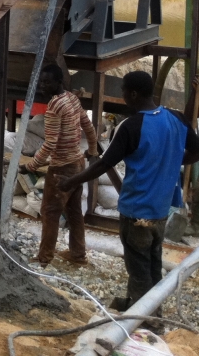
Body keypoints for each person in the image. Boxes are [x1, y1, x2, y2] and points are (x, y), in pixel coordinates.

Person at [57, 71, 199, 310]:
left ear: (133, 94)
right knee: (152, 263)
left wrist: (70, 182)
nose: (122, 96)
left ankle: (147, 323)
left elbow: (103, 164)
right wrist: (174, 160)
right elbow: (195, 150)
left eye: (123, 91)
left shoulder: (131, 127)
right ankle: (139, 305)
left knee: (139, 270)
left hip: (136, 214)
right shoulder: (175, 119)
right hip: (160, 212)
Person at [18, 64, 98, 267]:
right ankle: (78, 255)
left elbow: (50, 143)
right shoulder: (72, 98)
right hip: (78, 163)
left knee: (50, 212)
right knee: (74, 212)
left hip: (62, 168)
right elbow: (87, 125)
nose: (43, 86)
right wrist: (92, 150)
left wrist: (31, 166)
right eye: (41, 82)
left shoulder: (54, 106)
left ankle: (44, 258)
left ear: (58, 82)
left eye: (47, 82)